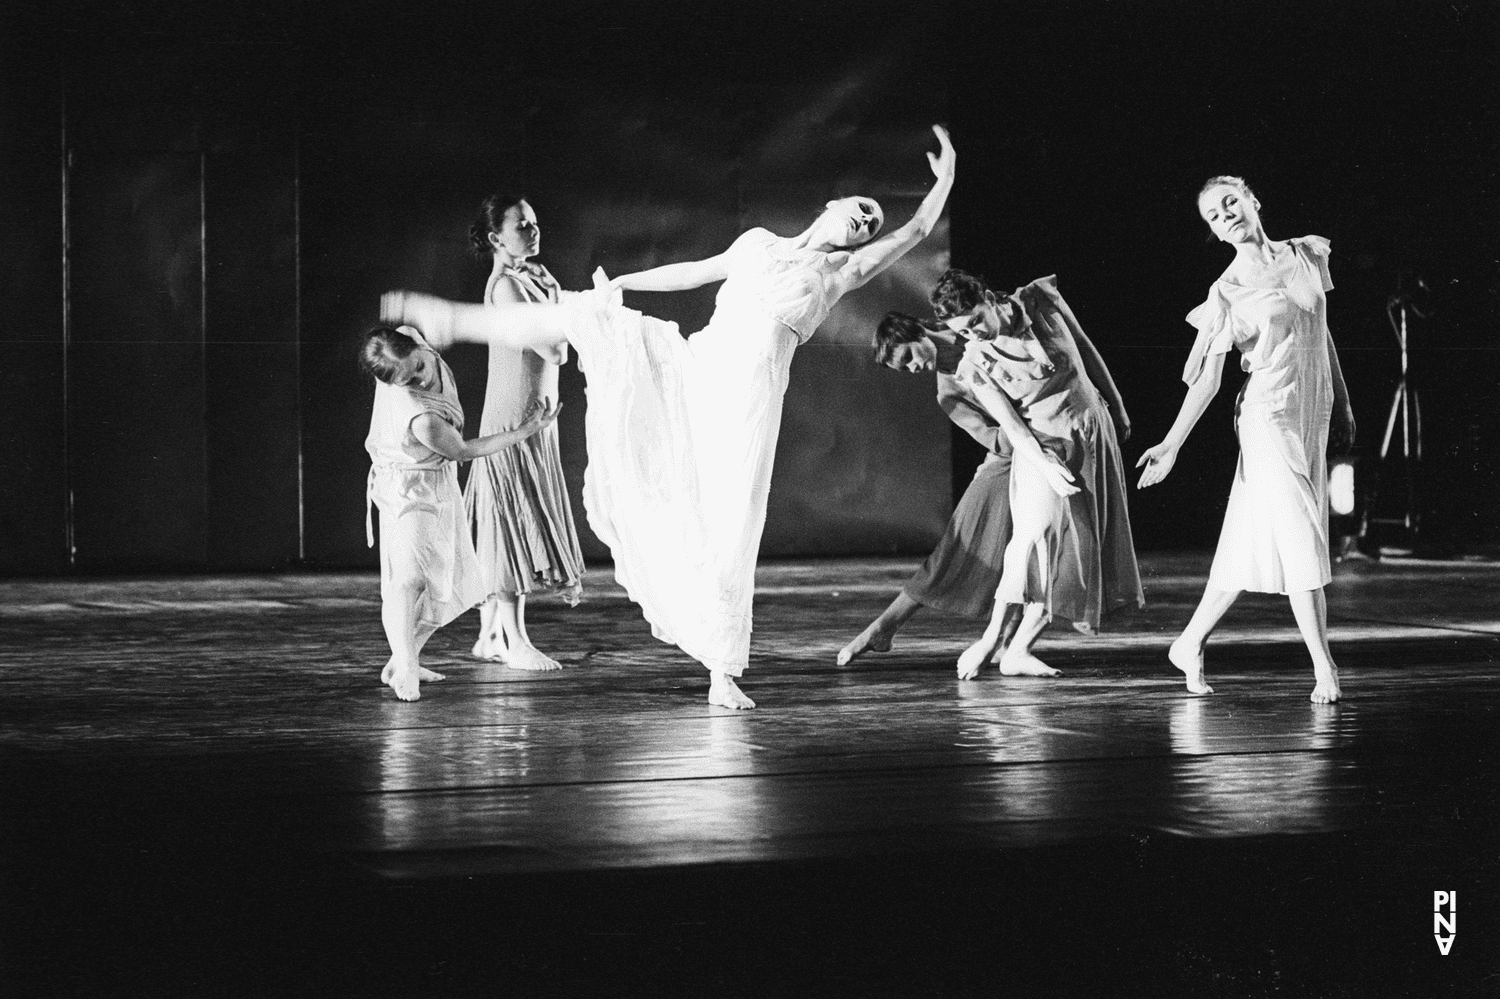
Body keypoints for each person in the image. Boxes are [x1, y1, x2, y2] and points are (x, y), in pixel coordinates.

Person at [381, 125, 957, 709]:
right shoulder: (757, 243)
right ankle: (454, 321)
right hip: (700, 365)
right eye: (861, 209)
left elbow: (915, 230)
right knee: (591, 320)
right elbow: (694, 271)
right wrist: (625, 286)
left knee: (731, 523)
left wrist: (946, 181)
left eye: (869, 225)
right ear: (832, 205)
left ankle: (720, 671)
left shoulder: (839, 274)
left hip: (748, 400)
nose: (864, 222)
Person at [1137, 176, 1355, 704]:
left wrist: (1343, 400)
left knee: (1249, 539)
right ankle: (1324, 668)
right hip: (1267, 417)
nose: (1225, 215)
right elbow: (1208, 380)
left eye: (1230, 202)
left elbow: (1320, 331)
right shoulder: (1227, 292)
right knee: (1303, 534)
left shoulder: (1306, 254)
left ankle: (1188, 642)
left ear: (1254, 199)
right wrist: (1170, 444)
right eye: (1213, 214)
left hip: (1313, 410)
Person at [931, 268, 1143, 680]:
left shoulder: (1040, 302)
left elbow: (1085, 350)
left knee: (1080, 545)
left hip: (1090, 431)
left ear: (990, 300)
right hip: (1042, 447)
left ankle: (1020, 648)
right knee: (1032, 539)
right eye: (965, 331)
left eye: (976, 321)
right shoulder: (976, 362)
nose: (975, 334)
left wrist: (1116, 405)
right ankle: (992, 638)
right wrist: (1046, 464)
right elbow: (1011, 426)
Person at [361, 324, 560, 701]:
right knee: (407, 581)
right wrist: (526, 430)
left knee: (449, 584)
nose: (419, 380)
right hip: (410, 489)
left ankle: (404, 658)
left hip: (439, 483)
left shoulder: (410, 336)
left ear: (415, 345)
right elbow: (465, 451)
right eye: (407, 381)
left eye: (418, 367)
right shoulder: (420, 416)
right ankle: (404, 669)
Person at [837, 312, 1024, 668]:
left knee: (1030, 550)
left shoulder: (974, 331)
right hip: (1011, 460)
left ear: (918, 331)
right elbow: (998, 440)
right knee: (958, 547)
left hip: (1048, 445)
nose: (912, 368)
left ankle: (1008, 640)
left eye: (908, 357)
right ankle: (882, 628)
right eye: (903, 369)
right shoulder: (948, 392)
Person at [463, 195, 586, 672]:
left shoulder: (536, 278)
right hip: (513, 421)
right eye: (522, 225)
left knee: (513, 517)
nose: (534, 231)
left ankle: (490, 634)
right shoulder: (506, 289)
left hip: (535, 421)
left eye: (535, 222)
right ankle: (513, 639)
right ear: (496, 239)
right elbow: (554, 351)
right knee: (510, 522)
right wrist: (575, 319)